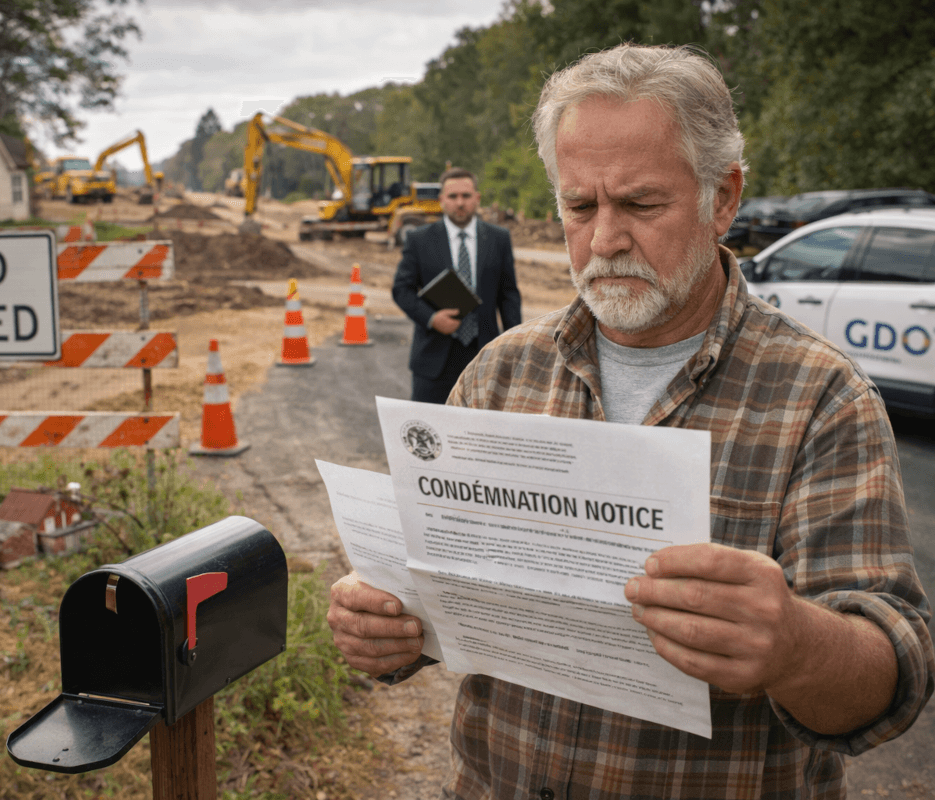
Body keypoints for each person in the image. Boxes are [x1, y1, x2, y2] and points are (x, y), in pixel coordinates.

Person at [329, 43, 933, 799]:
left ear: (723, 197)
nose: (605, 239)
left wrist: (794, 647)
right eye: (580, 207)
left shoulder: (820, 399)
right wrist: (386, 625)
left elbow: (893, 675)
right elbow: (440, 596)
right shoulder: (501, 372)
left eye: (641, 204)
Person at [392, 167, 523, 403]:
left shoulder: (498, 239)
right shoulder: (419, 239)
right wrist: (432, 319)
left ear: (477, 198)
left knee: (481, 434)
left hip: (485, 357)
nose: (459, 203)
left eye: (465, 196)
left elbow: (508, 295)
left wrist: (517, 347)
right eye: (453, 197)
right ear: (442, 200)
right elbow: (401, 290)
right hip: (433, 359)